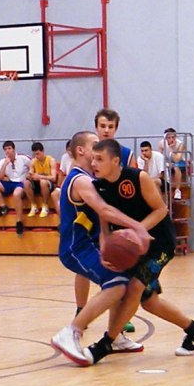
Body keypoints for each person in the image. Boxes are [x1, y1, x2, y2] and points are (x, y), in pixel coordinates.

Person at [82, 139, 194, 364]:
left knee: (134, 288)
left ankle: (106, 344)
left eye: (99, 159)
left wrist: (137, 230)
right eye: (93, 159)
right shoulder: (98, 185)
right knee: (149, 301)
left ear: (115, 161)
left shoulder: (137, 177)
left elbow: (161, 210)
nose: (93, 163)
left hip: (160, 243)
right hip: (132, 246)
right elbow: (104, 221)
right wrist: (105, 245)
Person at [51, 131, 152, 366]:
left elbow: (102, 216)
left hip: (91, 244)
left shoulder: (91, 178)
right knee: (116, 284)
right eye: (94, 144)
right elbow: (104, 210)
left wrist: (106, 240)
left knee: (122, 277)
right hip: (76, 247)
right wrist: (138, 227)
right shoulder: (80, 180)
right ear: (81, 150)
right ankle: (71, 331)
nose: (99, 148)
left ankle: (115, 337)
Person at [93, 108, 137, 332]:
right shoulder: (90, 154)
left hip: (119, 215)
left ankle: (121, 316)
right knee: (87, 270)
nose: (106, 130)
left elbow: (136, 183)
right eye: (103, 126)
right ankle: (81, 309)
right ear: (96, 127)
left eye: (110, 126)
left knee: (120, 265)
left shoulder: (126, 154)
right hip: (94, 213)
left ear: (116, 129)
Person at [0, 140, 31, 237]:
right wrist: (5, 164)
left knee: (16, 194)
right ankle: (3, 206)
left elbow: (33, 168)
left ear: (14, 149)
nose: (7, 151)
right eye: (5, 149)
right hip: (10, 182)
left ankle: (19, 221)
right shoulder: (3, 161)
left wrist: (28, 177)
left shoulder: (23, 158)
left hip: (21, 182)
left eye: (9, 148)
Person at [25, 141, 57, 218]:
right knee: (26, 183)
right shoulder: (33, 161)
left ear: (43, 151)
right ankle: (33, 205)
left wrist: (40, 176)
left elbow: (53, 178)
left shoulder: (51, 160)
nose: (36, 156)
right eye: (35, 154)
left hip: (48, 184)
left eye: (38, 154)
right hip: (37, 183)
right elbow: (31, 172)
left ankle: (45, 205)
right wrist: (30, 175)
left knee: (43, 182)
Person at [158, 127, 186, 199]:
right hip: (167, 161)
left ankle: (177, 190)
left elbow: (177, 159)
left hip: (180, 162)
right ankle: (163, 188)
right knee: (161, 168)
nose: (171, 139)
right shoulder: (161, 143)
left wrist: (171, 149)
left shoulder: (180, 144)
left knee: (176, 167)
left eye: (173, 137)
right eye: (169, 138)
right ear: (165, 138)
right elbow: (159, 156)